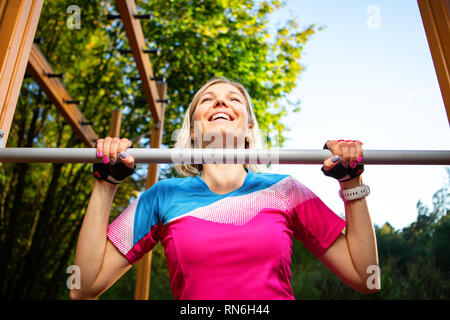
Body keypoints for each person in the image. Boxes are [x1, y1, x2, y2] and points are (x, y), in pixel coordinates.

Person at [70, 77, 379, 300]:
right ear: (192, 131)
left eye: (233, 98)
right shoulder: (162, 196)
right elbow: (83, 286)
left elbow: (365, 278)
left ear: (249, 129)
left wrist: (351, 182)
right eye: (208, 99)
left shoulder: (286, 191)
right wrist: (105, 183)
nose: (220, 101)